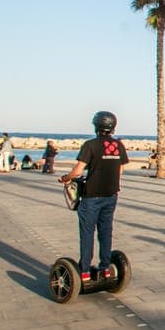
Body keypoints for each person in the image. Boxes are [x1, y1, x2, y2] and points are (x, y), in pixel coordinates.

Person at [58, 111, 129, 283]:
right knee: (106, 231)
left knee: (88, 232)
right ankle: (105, 268)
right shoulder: (118, 145)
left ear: (96, 126)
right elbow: (120, 170)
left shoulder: (90, 145)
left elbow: (78, 171)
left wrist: (65, 178)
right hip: (111, 194)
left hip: (92, 197)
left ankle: (84, 271)